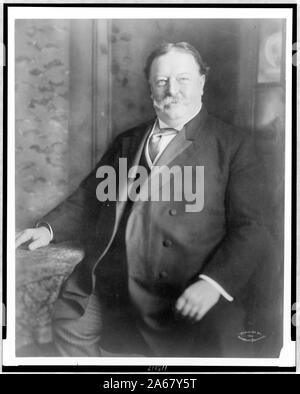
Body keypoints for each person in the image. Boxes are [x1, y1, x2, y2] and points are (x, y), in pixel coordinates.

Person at [16, 42, 271, 357]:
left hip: (183, 282)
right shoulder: (128, 141)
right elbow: (90, 196)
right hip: (115, 280)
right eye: (161, 81)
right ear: (150, 86)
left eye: (183, 79)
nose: (171, 90)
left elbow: (253, 227)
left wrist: (213, 283)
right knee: (70, 324)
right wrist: (47, 229)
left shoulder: (233, 146)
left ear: (202, 82)